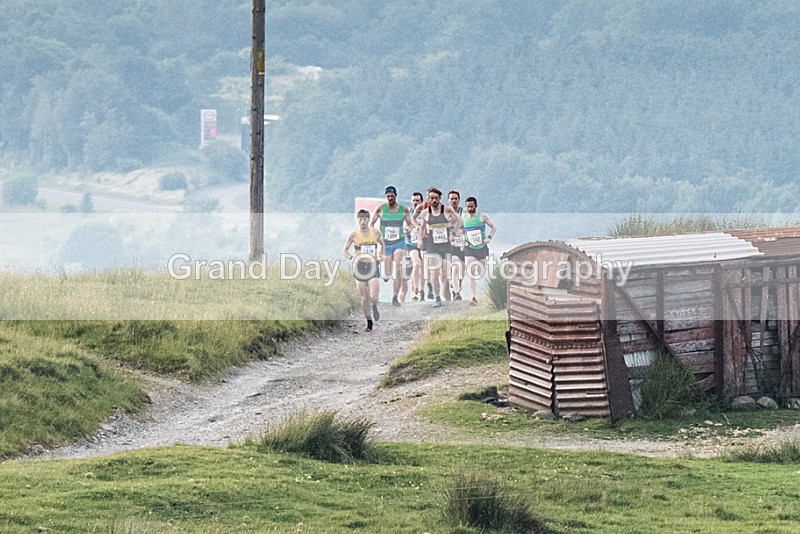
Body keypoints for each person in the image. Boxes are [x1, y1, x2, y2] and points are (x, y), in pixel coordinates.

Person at [370, 185, 413, 307]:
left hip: (399, 241)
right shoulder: (381, 209)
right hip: (385, 243)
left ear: (396, 196)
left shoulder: (403, 210)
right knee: (387, 274)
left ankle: (395, 296)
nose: (390, 198)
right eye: (388, 196)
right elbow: (371, 223)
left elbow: (410, 224)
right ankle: (386, 275)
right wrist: (374, 235)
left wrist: (408, 230)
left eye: (392, 196)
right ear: (385, 197)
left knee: (398, 267)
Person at [342, 209, 385, 332]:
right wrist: (352, 258)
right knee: (364, 297)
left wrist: (381, 255)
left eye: (364, 219)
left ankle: (375, 306)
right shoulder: (353, 235)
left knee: (373, 297)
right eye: (360, 219)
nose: (362, 222)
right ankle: (369, 322)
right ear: (357, 220)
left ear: (368, 220)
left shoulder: (376, 233)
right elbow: (344, 251)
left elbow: (382, 244)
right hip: (359, 267)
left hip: (373, 265)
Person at [420, 187, 461, 307]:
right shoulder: (425, 213)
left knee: (444, 275)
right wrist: (420, 239)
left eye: (436, 198)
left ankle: (447, 297)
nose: (434, 200)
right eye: (431, 198)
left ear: (440, 199)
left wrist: (453, 233)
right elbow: (422, 227)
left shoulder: (446, 210)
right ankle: (437, 298)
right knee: (434, 272)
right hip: (432, 245)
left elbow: (458, 220)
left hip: (445, 246)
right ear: (428, 199)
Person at [462, 196, 497, 306]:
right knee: (470, 271)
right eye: (468, 206)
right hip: (469, 248)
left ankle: (476, 294)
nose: (470, 208)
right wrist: (463, 242)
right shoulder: (463, 217)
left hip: (481, 248)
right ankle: (473, 296)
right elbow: (461, 231)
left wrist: (489, 238)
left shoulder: (482, 216)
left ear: (476, 206)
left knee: (480, 272)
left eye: (471, 206)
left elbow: (493, 228)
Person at [405, 191, 425, 301]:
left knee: (422, 267)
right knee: (416, 263)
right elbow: (405, 228)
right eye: (413, 201)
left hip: (424, 243)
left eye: (418, 200)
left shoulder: (426, 213)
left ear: (421, 202)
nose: (415, 202)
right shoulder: (408, 214)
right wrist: (407, 231)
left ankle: (422, 290)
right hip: (411, 243)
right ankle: (414, 290)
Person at [447, 190, 465, 300]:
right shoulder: (445, 212)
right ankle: (456, 292)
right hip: (450, 245)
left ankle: (456, 284)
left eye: (456, 198)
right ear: (448, 200)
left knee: (462, 270)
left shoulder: (464, 212)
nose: (454, 201)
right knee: (455, 266)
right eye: (452, 199)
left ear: (459, 200)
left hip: (462, 243)